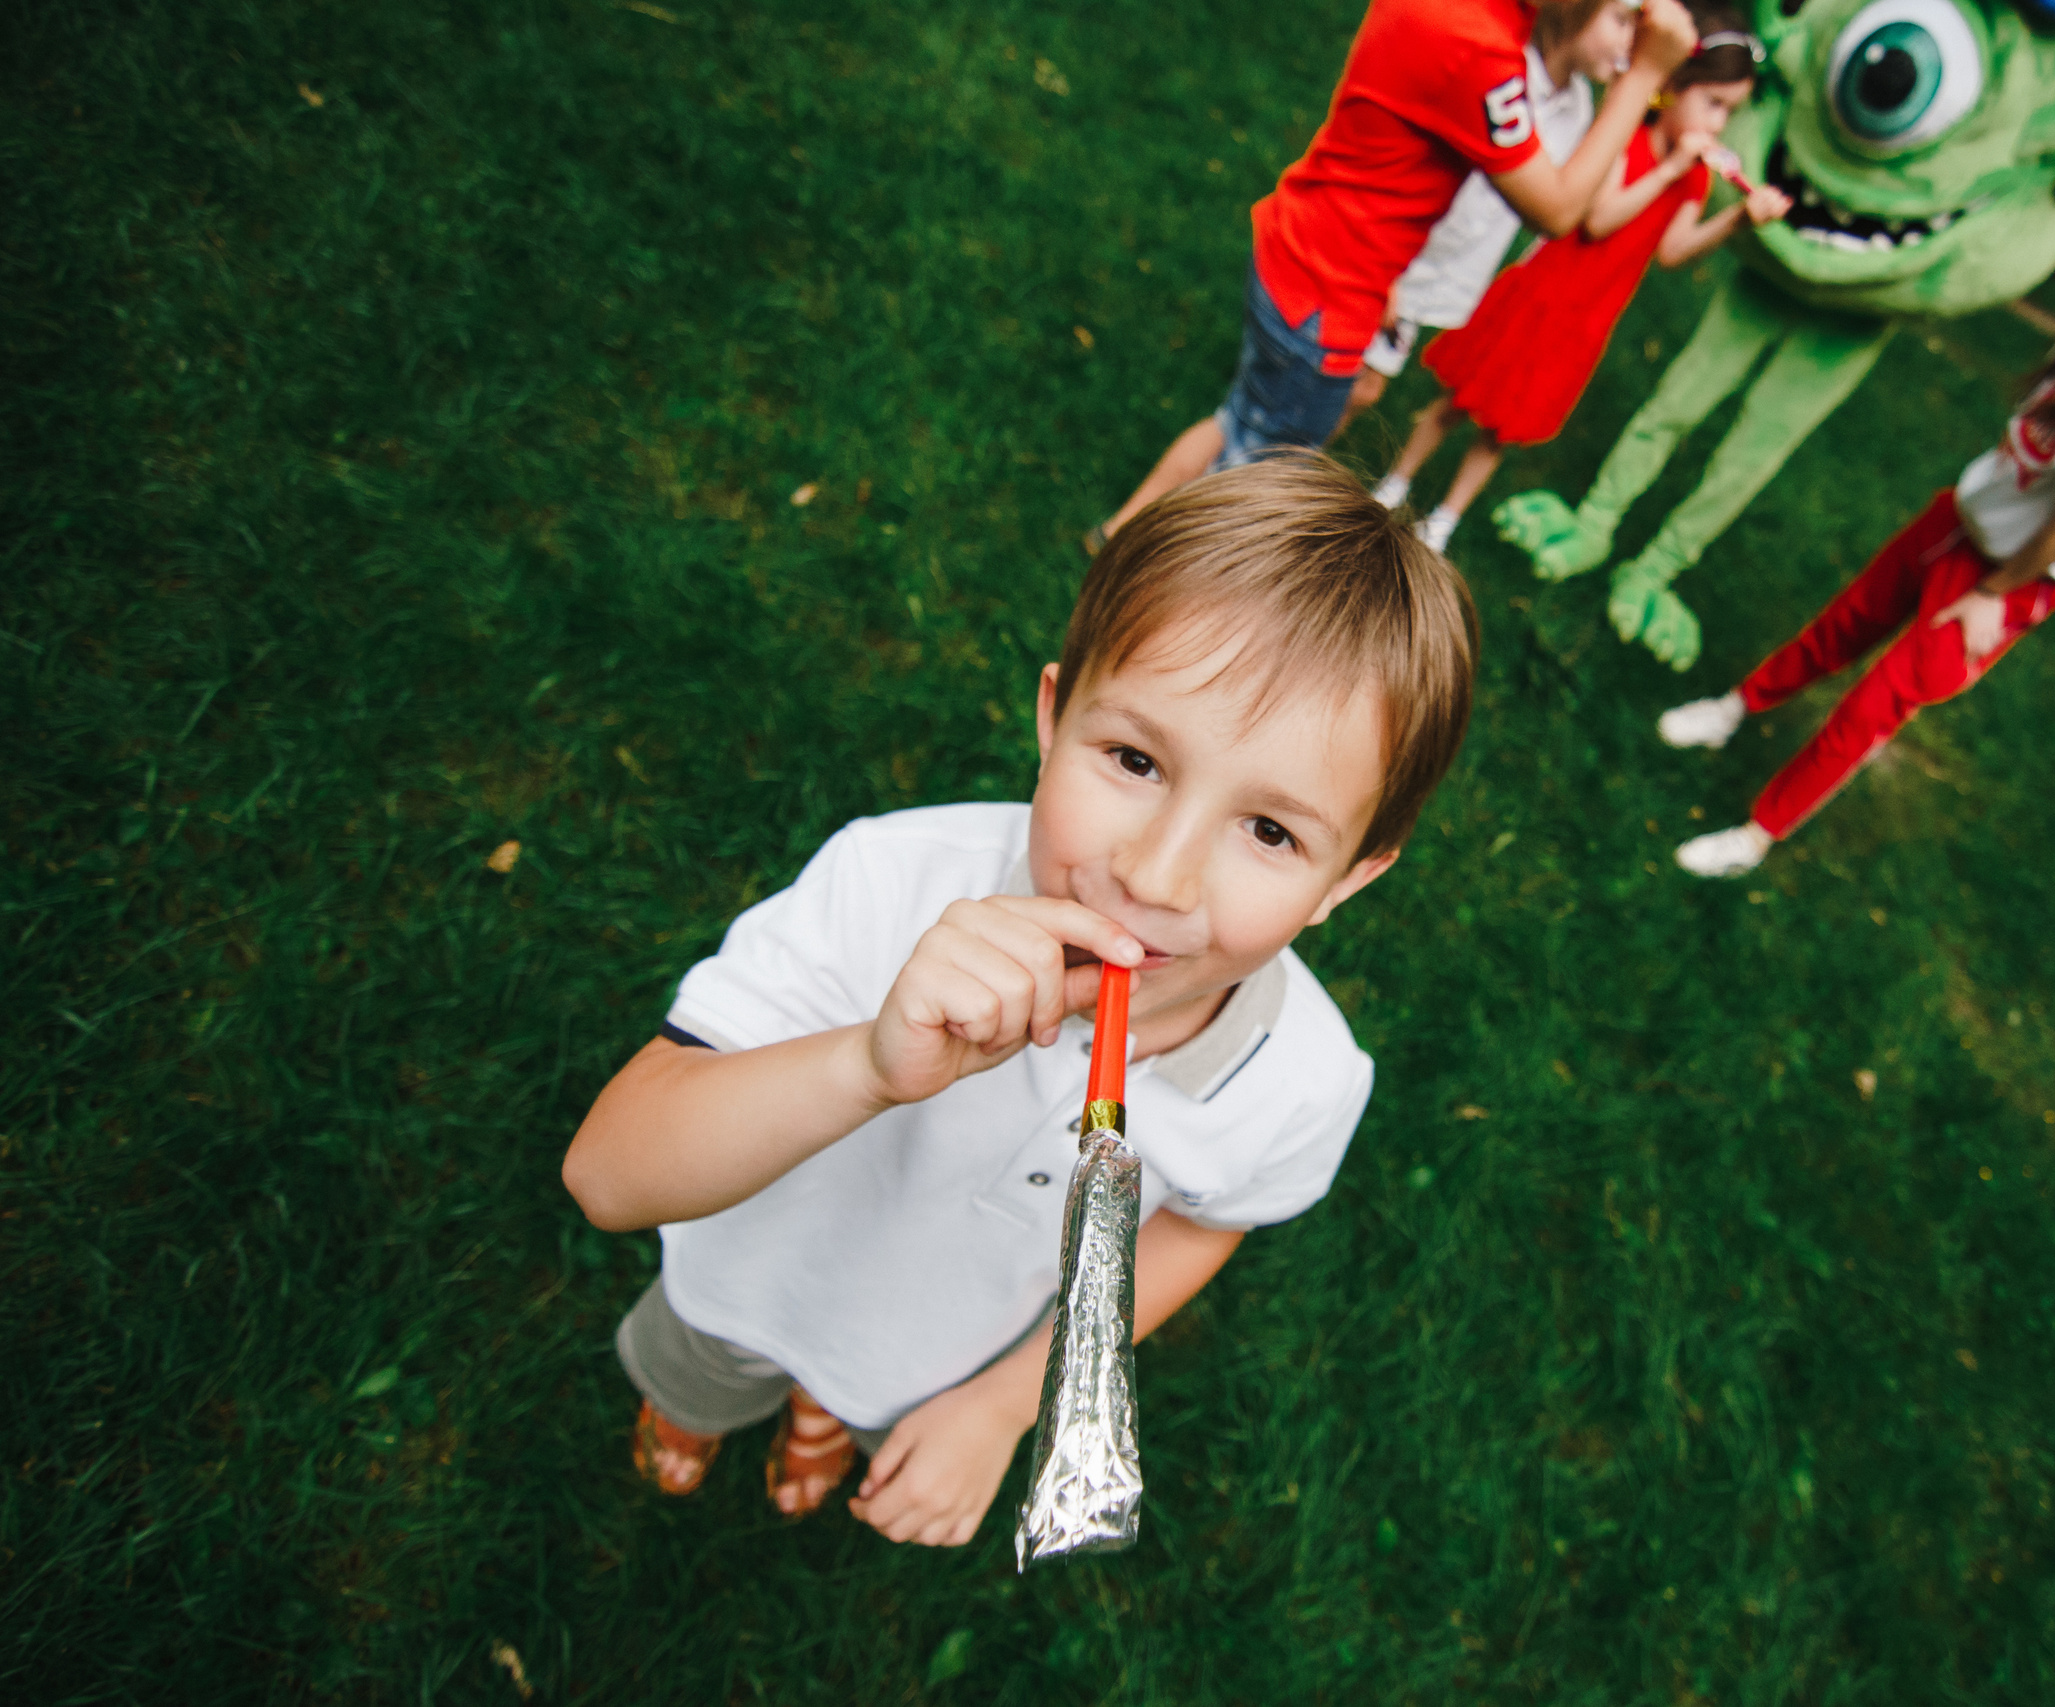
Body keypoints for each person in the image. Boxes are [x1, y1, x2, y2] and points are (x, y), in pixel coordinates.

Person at [563, 453, 1479, 1545]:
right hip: (741, 1288)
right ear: (1054, 718)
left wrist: (997, 1405)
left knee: (847, 1401)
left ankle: (823, 1410)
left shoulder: (1305, 1085)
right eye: (1134, 759)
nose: (1156, 876)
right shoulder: (888, 882)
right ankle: (694, 1415)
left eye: (1272, 831)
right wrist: (860, 1066)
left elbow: (1203, 1224)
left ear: (1350, 877)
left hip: (926, 1356)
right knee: (704, 1372)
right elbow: (606, 1177)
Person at [1656, 163, 2055, 877]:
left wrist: (1992, 592)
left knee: (1873, 706)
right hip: (1973, 512)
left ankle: (1755, 835)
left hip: (2014, 573)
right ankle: (1734, 707)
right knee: (1849, 620)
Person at [1090, 0, 1701, 550]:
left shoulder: (1473, 22)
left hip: (1307, 251)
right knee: (1243, 499)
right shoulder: (1479, 47)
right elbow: (1560, 209)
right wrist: (1647, 75)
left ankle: (1119, 534)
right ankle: (1137, 596)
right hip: (1328, 297)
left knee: (1239, 426)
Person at [1378, 11, 1790, 554]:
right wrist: (1666, 173)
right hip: (1541, 296)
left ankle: (1443, 521)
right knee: (1458, 401)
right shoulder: (1625, 141)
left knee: (1501, 428)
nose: (1717, 125)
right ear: (1673, 87)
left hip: (1585, 322)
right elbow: (1599, 220)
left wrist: (1735, 219)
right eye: (1712, 104)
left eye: (1729, 113)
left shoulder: (1692, 179)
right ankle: (1395, 482)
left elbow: (1672, 251)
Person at [1341, 0, 1633, 434]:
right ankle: (1257, 479)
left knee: (1360, 390)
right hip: (1390, 256)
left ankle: (1278, 480)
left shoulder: (1579, 110)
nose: (1631, 45)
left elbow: (1580, 208)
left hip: (1438, 272)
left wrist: (1623, 107)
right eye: (1623, 21)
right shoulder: (1500, 66)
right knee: (1329, 386)